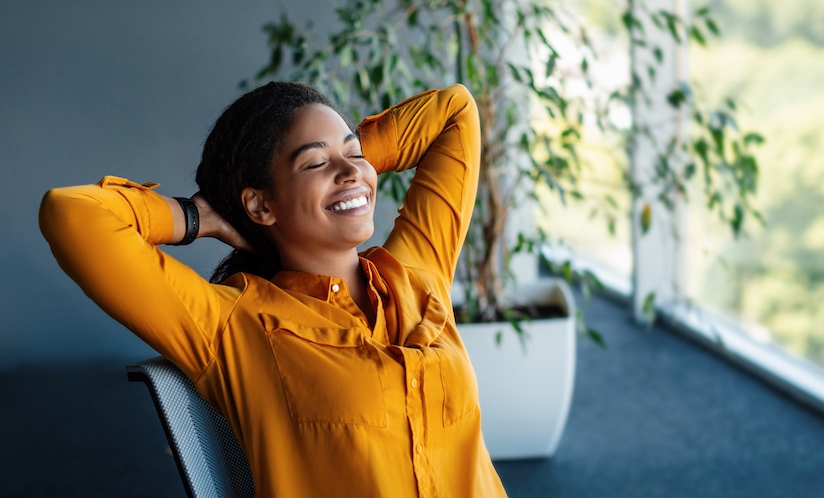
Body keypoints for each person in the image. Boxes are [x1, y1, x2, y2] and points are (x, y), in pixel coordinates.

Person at [40, 82, 508, 497]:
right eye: (316, 163)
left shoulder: (418, 273)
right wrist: (203, 216)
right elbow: (72, 214)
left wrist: (347, 162)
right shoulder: (234, 326)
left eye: (356, 155)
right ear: (261, 205)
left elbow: (454, 111)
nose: (351, 171)